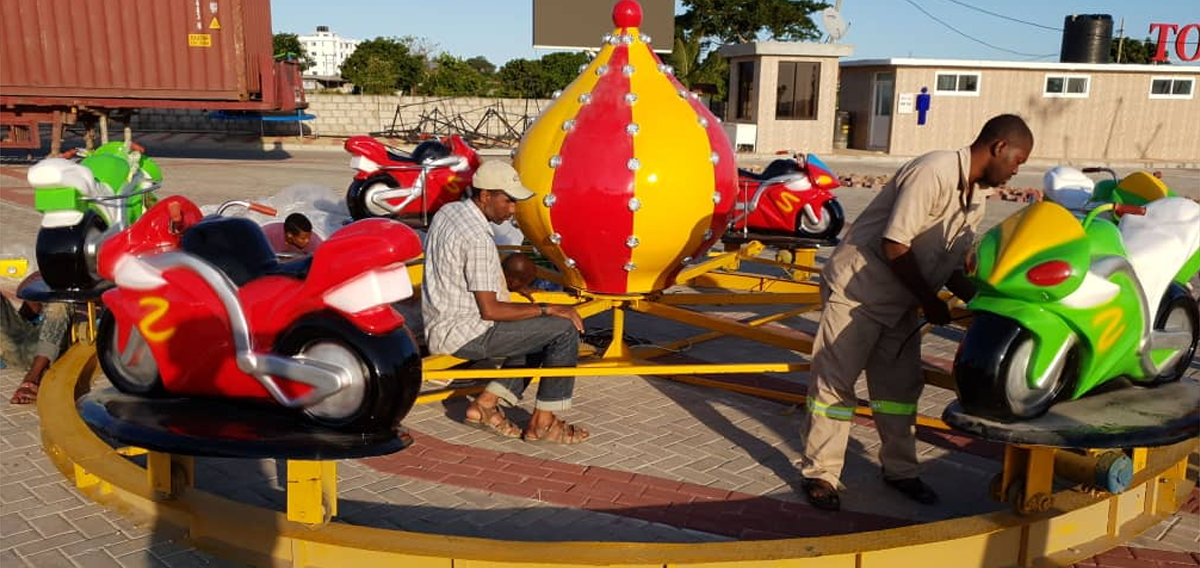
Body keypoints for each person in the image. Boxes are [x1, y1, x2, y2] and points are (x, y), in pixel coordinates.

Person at [797, 114, 1034, 511]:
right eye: (1017, 160)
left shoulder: (975, 195)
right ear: (998, 147)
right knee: (835, 386)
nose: (1015, 170)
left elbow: (955, 265)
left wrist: (987, 306)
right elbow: (895, 244)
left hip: (902, 299)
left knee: (898, 390)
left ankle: (900, 471)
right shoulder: (934, 171)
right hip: (859, 292)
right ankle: (821, 473)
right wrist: (929, 301)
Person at [422, 160, 589, 444]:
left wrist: (515, 294)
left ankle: (485, 405)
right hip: (465, 332)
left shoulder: (449, 212)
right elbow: (491, 310)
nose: (512, 209)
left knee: (542, 328)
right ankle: (543, 422)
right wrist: (548, 307)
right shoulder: (477, 238)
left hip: (441, 321)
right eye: (508, 201)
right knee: (563, 330)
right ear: (485, 195)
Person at [2, 274, 72, 405]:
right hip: (20, 345)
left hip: (48, 353)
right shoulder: (43, 276)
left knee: (59, 303)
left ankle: (34, 377)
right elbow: (30, 305)